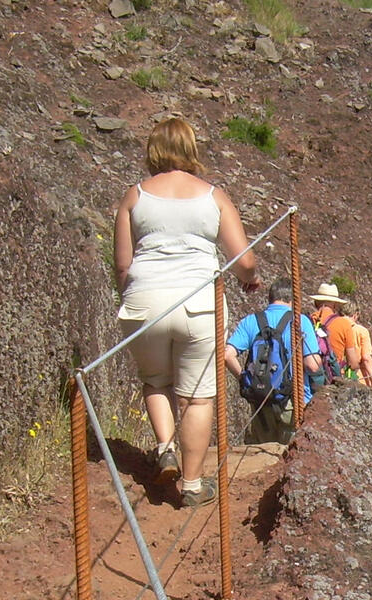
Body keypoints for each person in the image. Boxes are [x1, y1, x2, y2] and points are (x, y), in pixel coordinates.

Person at [113, 117, 261, 508]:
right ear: (191, 149)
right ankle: (193, 486)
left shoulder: (135, 196)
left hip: (145, 302)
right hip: (199, 305)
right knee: (197, 397)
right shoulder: (214, 196)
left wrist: (131, 296)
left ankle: (164, 448)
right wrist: (250, 278)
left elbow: (123, 266)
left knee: (156, 380)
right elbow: (244, 259)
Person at [224, 277, 323, 444]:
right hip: (293, 402)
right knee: (289, 459)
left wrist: (244, 378)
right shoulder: (300, 321)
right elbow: (312, 366)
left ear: (270, 298)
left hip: (260, 403)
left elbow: (227, 355)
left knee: (262, 459)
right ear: (293, 299)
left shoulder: (251, 321)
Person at [309, 282, 360, 376]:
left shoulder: (307, 321)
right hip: (332, 378)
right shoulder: (344, 324)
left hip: (309, 378)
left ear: (316, 302)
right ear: (336, 305)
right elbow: (353, 363)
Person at [340, 301, 372, 391]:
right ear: (356, 314)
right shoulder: (361, 331)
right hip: (358, 380)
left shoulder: (334, 328)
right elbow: (366, 359)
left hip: (338, 376)